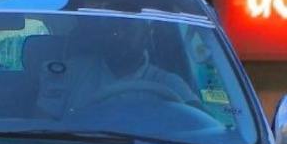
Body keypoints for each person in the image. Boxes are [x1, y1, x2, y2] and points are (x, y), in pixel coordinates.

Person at [35, 17, 198, 119]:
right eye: (111, 29)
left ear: (146, 35)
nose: (119, 36)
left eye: (128, 29)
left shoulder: (169, 85)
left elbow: (204, 127)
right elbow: (42, 128)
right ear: (101, 35)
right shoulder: (69, 73)